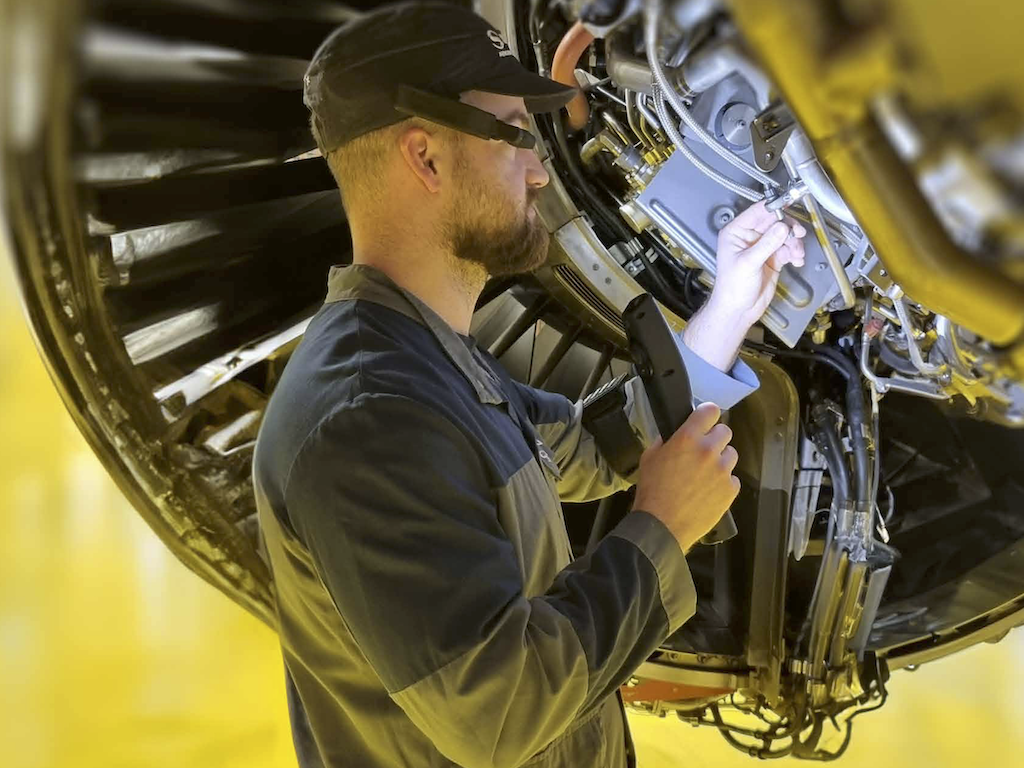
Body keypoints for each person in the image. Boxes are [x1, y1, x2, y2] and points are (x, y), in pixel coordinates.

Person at [252, 3, 806, 767]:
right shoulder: (367, 417)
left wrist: (729, 309)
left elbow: (587, 447)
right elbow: (500, 714)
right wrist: (661, 529)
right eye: (515, 134)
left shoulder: (425, 357)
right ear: (426, 158)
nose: (541, 169)